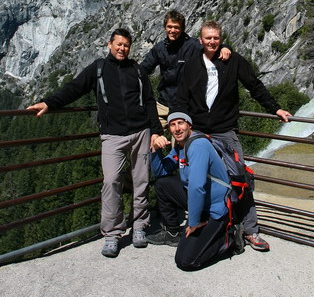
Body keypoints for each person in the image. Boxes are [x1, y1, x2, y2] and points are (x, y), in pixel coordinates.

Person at [26, 28, 163, 259]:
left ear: (130, 47)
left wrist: (156, 132)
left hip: (141, 133)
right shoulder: (98, 69)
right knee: (111, 182)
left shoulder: (138, 70)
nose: (122, 48)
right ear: (109, 44)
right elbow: (74, 88)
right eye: (118, 44)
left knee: (141, 182)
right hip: (112, 136)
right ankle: (112, 234)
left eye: (126, 45)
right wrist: (49, 103)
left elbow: (149, 102)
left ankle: (139, 225)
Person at [174, 20, 292, 252]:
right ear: (200, 40)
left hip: (225, 130)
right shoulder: (191, 65)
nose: (212, 42)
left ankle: (251, 231)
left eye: (216, 38)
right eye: (208, 38)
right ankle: (204, 224)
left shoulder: (233, 60)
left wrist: (275, 108)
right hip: (197, 131)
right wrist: (176, 125)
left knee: (240, 178)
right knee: (196, 178)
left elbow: (254, 85)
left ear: (221, 38)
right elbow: (181, 97)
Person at [149, 112, 234, 270]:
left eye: (181, 123)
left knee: (185, 261)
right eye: (172, 125)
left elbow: (197, 187)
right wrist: (154, 150)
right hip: (199, 201)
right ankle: (173, 233)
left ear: (190, 125)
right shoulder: (181, 147)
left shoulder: (198, 146)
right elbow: (160, 172)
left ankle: (227, 241)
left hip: (215, 208)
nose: (177, 128)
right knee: (162, 183)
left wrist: (193, 223)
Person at [140, 9, 231, 127]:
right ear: (165, 27)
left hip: (185, 106)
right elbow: (143, 69)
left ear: (182, 28)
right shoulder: (159, 48)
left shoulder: (193, 46)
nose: (172, 30)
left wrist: (225, 47)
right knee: (149, 133)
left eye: (176, 27)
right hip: (163, 104)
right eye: (169, 27)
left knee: (180, 141)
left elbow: (211, 47)